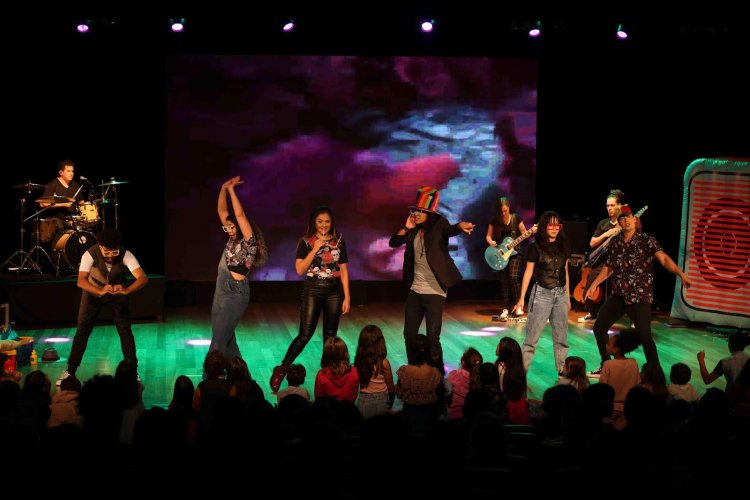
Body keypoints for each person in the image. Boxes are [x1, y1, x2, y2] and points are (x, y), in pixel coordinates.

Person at [586, 204, 692, 375]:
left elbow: (664, 259)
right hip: (619, 295)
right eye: (622, 218)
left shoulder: (647, 241)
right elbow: (609, 267)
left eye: (629, 217)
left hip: (639, 297)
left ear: (635, 219)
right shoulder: (615, 242)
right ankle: (607, 365)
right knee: (599, 327)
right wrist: (593, 284)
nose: (626, 220)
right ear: (619, 222)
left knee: (645, 336)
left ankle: (654, 373)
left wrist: (681, 274)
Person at [389, 186, 475, 374]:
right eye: (414, 210)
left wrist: (460, 226)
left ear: (429, 212)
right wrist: (406, 226)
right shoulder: (413, 230)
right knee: (409, 335)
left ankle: (437, 375)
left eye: (419, 211)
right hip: (415, 291)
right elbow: (393, 242)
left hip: (435, 292)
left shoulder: (439, 225)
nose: (416, 214)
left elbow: (451, 230)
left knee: (432, 338)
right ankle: (415, 371)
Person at [270, 206, 350, 391]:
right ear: (314, 223)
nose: (324, 225)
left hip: (334, 291)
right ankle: (282, 368)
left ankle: (328, 375)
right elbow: (299, 270)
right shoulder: (306, 242)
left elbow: (344, 269)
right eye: (320, 221)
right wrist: (315, 249)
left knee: (330, 337)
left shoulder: (339, 240)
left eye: (327, 221)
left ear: (332, 222)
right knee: (305, 334)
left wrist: (347, 296)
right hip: (313, 289)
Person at [56, 228, 149, 386]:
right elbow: (81, 281)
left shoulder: (126, 254)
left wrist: (127, 290)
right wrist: (100, 291)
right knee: (83, 329)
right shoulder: (89, 254)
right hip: (93, 292)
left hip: (117, 293)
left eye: (114, 252)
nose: (111, 256)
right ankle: (70, 371)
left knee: (125, 330)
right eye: (107, 252)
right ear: (100, 246)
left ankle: (133, 371)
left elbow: (143, 278)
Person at [210, 176, 267, 364]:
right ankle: (243, 378)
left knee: (217, 343)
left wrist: (233, 190)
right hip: (221, 288)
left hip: (235, 293)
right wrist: (223, 188)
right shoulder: (232, 239)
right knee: (227, 340)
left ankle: (209, 380)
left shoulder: (248, 241)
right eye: (228, 227)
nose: (230, 230)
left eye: (233, 227)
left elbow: (239, 214)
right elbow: (221, 210)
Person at [514, 211, 571, 375]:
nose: (554, 228)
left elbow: (565, 270)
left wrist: (567, 296)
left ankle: (562, 373)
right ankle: (519, 377)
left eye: (557, 225)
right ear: (544, 226)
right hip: (541, 294)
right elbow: (528, 272)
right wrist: (521, 299)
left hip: (560, 294)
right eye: (550, 224)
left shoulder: (564, 245)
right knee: (531, 340)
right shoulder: (535, 246)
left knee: (562, 339)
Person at [577, 189, 625, 322]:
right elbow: (592, 243)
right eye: (607, 206)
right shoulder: (603, 223)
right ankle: (593, 314)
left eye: (612, 205)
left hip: (621, 261)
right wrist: (606, 234)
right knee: (589, 285)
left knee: (626, 288)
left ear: (619, 206)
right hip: (602, 261)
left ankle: (634, 319)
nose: (609, 208)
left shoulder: (626, 221)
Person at [486, 196, 528, 320]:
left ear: (509, 207)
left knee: (513, 277)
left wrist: (528, 233)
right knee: (504, 280)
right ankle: (506, 307)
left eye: (505, 210)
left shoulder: (516, 218)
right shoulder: (494, 220)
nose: (503, 213)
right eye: (501, 211)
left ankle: (518, 305)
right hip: (501, 253)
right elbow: (488, 236)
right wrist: (491, 242)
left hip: (515, 252)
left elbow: (524, 232)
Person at [38, 159, 85, 241]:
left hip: (72, 219)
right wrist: (64, 205)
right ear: (61, 172)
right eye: (68, 171)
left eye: (72, 171)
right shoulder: (52, 185)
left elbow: (81, 203)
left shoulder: (75, 185)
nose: (71, 173)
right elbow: (42, 204)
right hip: (56, 220)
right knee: (60, 227)